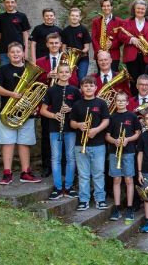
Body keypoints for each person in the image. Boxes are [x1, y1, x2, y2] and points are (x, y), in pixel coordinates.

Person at [0, 42, 41, 185]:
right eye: (12, 52)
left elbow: (36, 90)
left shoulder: (30, 70)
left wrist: (34, 106)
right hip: (8, 112)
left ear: (23, 53)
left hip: (26, 112)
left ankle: (26, 172)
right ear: (8, 54)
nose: (15, 54)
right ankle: (7, 173)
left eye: (18, 51)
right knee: (7, 142)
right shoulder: (3, 69)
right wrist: (11, 94)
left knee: (24, 143)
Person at [35, 32, 78, 177]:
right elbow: (34, 82)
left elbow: (75, 82)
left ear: (60, 44)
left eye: (56, 43)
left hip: (65, 105)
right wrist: (46, 76)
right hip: (47, 106)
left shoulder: (68, 61)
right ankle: (47, 166)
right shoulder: (40, 61)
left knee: (66, 136)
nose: (54, 45)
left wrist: (62, 76)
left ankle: (65, 166)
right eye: (51, 43)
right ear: (47, 44)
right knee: (46, 136)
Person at [39, 63, 80, 198]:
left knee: (70, 157)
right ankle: (57, 187)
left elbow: (81, 110)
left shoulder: (75, 90)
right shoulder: (51, 90)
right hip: (54, 128)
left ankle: (68, 187)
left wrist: (71, 109)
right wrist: (54, 115)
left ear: (70, 74)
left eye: (66, 72)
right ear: (56, 74)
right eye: (61, 72)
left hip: (71, 129)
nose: (63, 74)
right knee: (56, 158)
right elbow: (43, 110)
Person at [70, 76, 111, 211]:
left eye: (91, 85)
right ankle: (84, 200)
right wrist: (79, 125)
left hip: (98, 145)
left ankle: (100, 199)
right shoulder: (77, 104)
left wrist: (96, 130)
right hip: (80, 145)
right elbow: (72, 122)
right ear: (81, 88)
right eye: (86, 86)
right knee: (83, 175)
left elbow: (106, 120)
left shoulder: (101, 103)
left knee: (98, 173)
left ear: (96, 88)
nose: (88, 88)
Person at [105, 92, 142, 223]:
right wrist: (114, 141)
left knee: (128, 180)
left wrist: (127, 139)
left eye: (122, 100)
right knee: (116, 179)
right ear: (115, 102)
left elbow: (137, 133)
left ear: (127, 102)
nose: (120, 103)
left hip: (129, 152)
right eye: (118, 101)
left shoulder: (132, 116)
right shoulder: (112, 117)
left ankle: (130, 207)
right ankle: (116, 207)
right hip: (114, 152)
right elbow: (107, 136)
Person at [118, 0, 148, 93]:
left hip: (147, 57)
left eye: (142, 9)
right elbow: (120, 36)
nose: (140, 10)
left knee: (146, 81)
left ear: (146, 10)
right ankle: (134, 100)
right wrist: (131, 39)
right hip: (132, 57)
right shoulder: (126, 22)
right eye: (138, 8)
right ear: (134, 9)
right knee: (134, 82)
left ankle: (145, 100)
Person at [0, 0, 31, 65]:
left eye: (12, 2)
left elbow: (25, 35)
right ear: (4, 3)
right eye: (7, 2)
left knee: (20, 72)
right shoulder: (0, 17)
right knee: (5, 71)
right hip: (4, 52)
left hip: (19, 52)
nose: (10, 4)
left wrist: (26, 51)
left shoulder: (22, 16)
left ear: (15, 3)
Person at [90, 0, 122, 71]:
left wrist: (112, 44)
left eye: (108, 6)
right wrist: (99, 50)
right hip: (100, 54)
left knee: (113, 75)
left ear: (112, 7)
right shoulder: (96, 21)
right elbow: (94, 38)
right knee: (100, 75)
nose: (106, 8)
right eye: (104, 6)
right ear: (101, 8)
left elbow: (121, 38)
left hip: (113, 54)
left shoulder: (119, 21)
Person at [61, 7, 92, 81]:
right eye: (72, 15)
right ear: (69, 17)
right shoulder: (65, 31)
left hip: (82, 59)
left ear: (80, 18)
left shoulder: (84, 29)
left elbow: (87, 47)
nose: (74, 17)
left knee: (81, 78)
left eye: (76, 16)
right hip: (69, 59)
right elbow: (63, 47)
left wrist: (78, 54)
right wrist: (66, 56)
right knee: (69, 79)